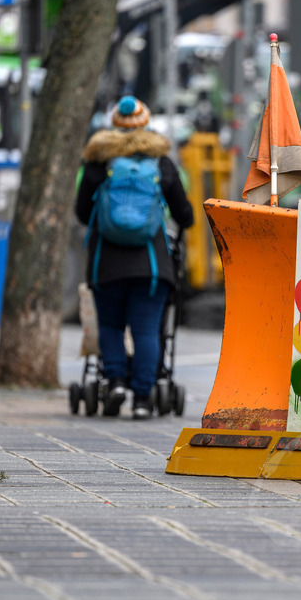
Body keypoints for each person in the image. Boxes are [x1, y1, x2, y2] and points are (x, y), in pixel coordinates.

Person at [75, 96, 194, 419]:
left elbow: (82, 212)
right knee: (146, 330)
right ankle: (143, 398)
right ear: (147, 124)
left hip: (106, 262)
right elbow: (185, 216)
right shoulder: (162, 164)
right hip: (151, 265)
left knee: (111, 325)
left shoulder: (98, 163)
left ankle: (114, 382)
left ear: (114, 123)